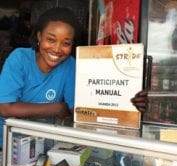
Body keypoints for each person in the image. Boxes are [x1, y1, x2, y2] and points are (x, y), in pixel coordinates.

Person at [0, 7, 148, 149]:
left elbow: (79, 111)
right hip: (6, 143)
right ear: (39, 36)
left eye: (66, 43)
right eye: (51, 40)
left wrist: (129, 103)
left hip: (40, 142)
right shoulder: (20, 58)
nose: (57, 49)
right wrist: (57, 108)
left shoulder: (70, 65)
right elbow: (5, 108)